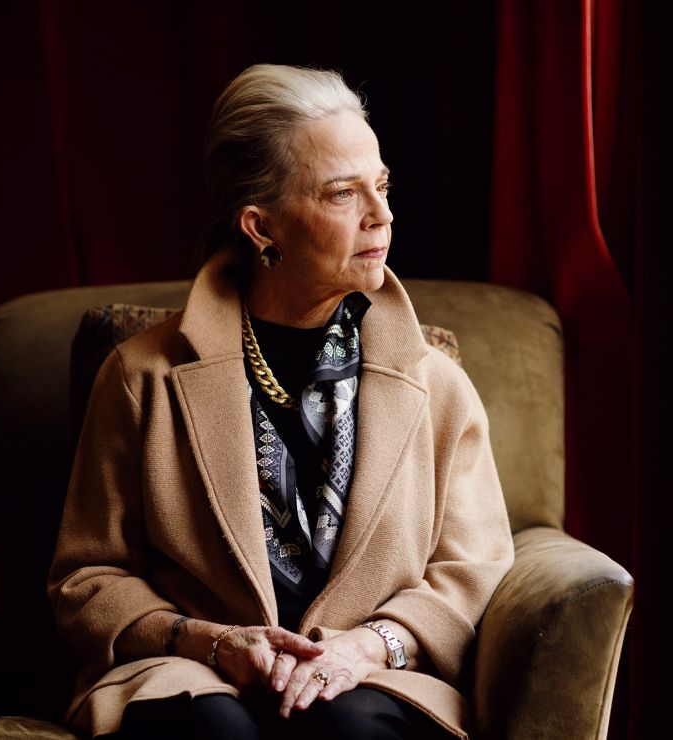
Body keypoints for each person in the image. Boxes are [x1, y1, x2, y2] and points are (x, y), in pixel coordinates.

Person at [47, 63, 515, 739]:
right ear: (262, 227)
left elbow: (472, 568)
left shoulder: (435, 383)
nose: (381, 215)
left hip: (375, 675)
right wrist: (208, 643)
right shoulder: (139, 376)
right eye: (341, 195)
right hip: (192, 672)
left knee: (348, 729)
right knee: (215, 730)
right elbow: (89, 575)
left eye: (380, 187)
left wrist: (369, 646)